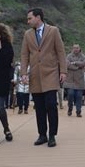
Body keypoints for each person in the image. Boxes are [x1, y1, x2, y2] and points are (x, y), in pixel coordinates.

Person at [20, 8, 67, 147]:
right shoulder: (27, 34)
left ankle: (52, 135)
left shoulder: (53, 31)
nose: (28, 21)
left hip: (51, 73)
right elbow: (24, 55)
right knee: (39, 107)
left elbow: (60, 51)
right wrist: (23, 73)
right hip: (35, 75)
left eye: (30, 18)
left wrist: (63, 71)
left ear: (38, 17)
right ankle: (42, 135)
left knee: (51, 105)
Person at [63, 44, 85, 117]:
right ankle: (70, 108)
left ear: (79, 49)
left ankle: (78, 111)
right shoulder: (68, 56)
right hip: (70, 80)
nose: (76, 49)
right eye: (74, 48)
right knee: (70, 94)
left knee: (79, 96)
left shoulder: (83, 56)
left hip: (79, 80)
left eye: (77, 48)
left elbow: (84, 63)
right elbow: (67, 65)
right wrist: (77, 67)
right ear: (72, 49)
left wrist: (74, 63)